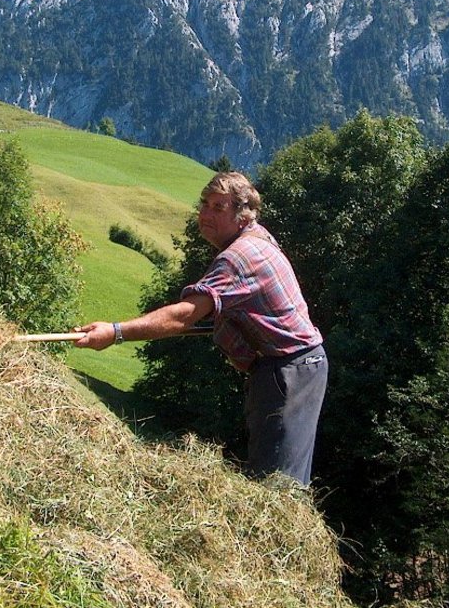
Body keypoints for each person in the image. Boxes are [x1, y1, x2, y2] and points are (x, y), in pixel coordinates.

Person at [74, 171, 327, 485]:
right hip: (298, 365)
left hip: (289, 371)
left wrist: (115, 332)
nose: (205, 214)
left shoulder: (238, 258)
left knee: (277, 481)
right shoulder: (258, 237)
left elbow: (184, 316)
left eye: (218, 208)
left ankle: (278, 532)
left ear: (243, 214)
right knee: (279, 469)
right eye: (204, 204)